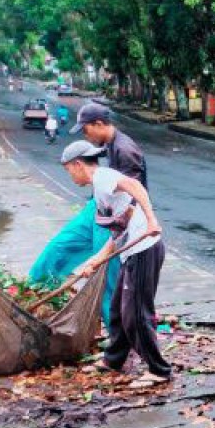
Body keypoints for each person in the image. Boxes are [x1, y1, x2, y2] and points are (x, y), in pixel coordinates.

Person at [60, 141, 170, 388]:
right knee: (118, 311)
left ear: (78, 165)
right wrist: (96, 260)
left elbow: (135, 186)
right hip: (130, 250)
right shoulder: (100, 190)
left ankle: (159, 370)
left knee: (136, 314)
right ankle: (114, 359)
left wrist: (151, 219)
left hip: (144, 250)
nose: (70, 176)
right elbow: (118, 232)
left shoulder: (103, 177)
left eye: (68, 170)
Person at [71, 102, 147, 188]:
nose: (85, 135)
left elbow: (133, 191)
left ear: (98, 124)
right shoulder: (107, 143)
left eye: (85, 130)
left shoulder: (124, 150)